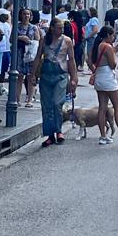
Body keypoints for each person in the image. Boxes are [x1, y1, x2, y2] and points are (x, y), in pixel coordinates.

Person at [33, 17, 76, 145]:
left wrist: (74, 78)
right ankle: (50, 134)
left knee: (57, 103)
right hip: (46, 75)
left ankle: (58, 130)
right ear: (52, 28)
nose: (61, 30)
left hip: (60, 75)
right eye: (59, 28)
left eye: (62, 28)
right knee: (47, 106)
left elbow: (71, 60)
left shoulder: (67, 41)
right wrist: (33, 74)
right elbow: (37, 57)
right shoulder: (44, 40)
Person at [90, 23, 118, 145]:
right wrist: (115, 51)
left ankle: (103, 136)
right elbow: (113, 64)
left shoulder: (97, 45)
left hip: (99, 76)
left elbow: (89, 60)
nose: (114, 38)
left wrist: (94, 70)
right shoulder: (107, 47)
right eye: (113, 35)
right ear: (108, 35)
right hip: (108, 77)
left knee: (102, 107)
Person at [18, 8, 41, 104]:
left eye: (28, 14)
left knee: (30, 76)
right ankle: (17, 99)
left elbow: (38, 40)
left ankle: (30, 99)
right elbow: (11, 38)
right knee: (19, 76)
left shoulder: (34, 27)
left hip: (30, 54)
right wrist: (20, 38)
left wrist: (29, 41)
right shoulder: (17, 26)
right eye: (24, 14)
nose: (26, 16)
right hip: (19, 53)